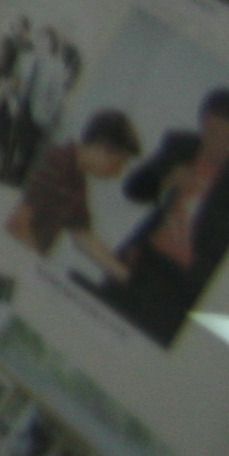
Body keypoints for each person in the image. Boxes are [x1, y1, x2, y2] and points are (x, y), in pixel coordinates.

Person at [96, 88, 229, 345]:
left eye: (226, 137)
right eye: (212, 133)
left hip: (182, 286)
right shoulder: (182, 147)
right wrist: (167, 180)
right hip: (141, 261)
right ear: (203, 125)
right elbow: (133, 189)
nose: (217, 144)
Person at [4, 109, 137, 273]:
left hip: (23, 259)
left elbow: (82, 234)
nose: (118, 172)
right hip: (9, 257)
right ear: (103, 149)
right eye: (120, 162)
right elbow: (17, 223)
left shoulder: (77, 180)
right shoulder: (56, 163)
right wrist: (37, 262)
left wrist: (123, 273)